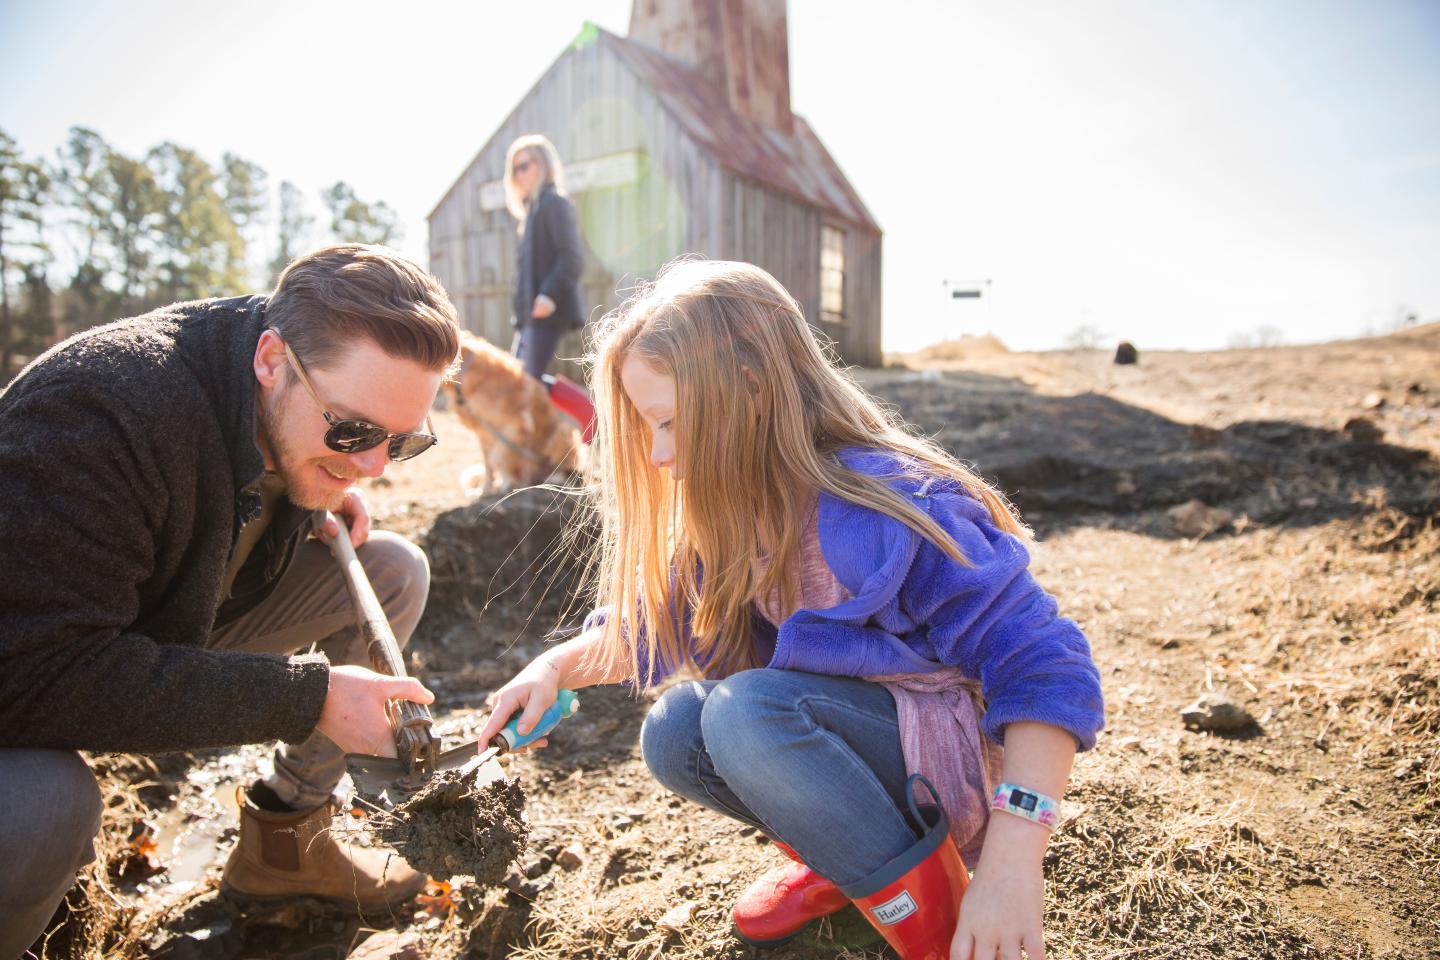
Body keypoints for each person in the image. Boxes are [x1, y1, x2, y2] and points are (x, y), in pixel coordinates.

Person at [477, 260, 1105, 960]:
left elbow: (1043, 660)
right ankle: (851, 858)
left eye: (669, 422)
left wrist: (1015, 864)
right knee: (677, 731)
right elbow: (649, 632)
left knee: (748, 713)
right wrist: (552, 669)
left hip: (958, 770)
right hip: (864, 752)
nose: (656, 453)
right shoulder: (739, 516)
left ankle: (939, 924)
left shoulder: (887, 506)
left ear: (748, 389)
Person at [0, 245, 456, 958]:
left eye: (400, 442)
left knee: (393, 568)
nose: (373, 463)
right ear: (271, 361)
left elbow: (260, 465)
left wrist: (326, 480)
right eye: (355, 430)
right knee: (45, 808)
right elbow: (30, 672)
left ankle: (288, 842)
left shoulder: (275, 391)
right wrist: (309, 699)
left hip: (157, 620)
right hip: (31, 675)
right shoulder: (101, 412)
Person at [504, 134, 586, 381]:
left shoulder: (555, 203)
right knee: (522, 381)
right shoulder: (532, 211)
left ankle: (589, 411)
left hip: (545, 313)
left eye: (524, 166)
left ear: (542, 164)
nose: (518, 175)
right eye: (514, 169)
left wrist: (549, 294)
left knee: (522, 384)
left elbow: (572, 258)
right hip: (529, 316)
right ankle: (586, 410)